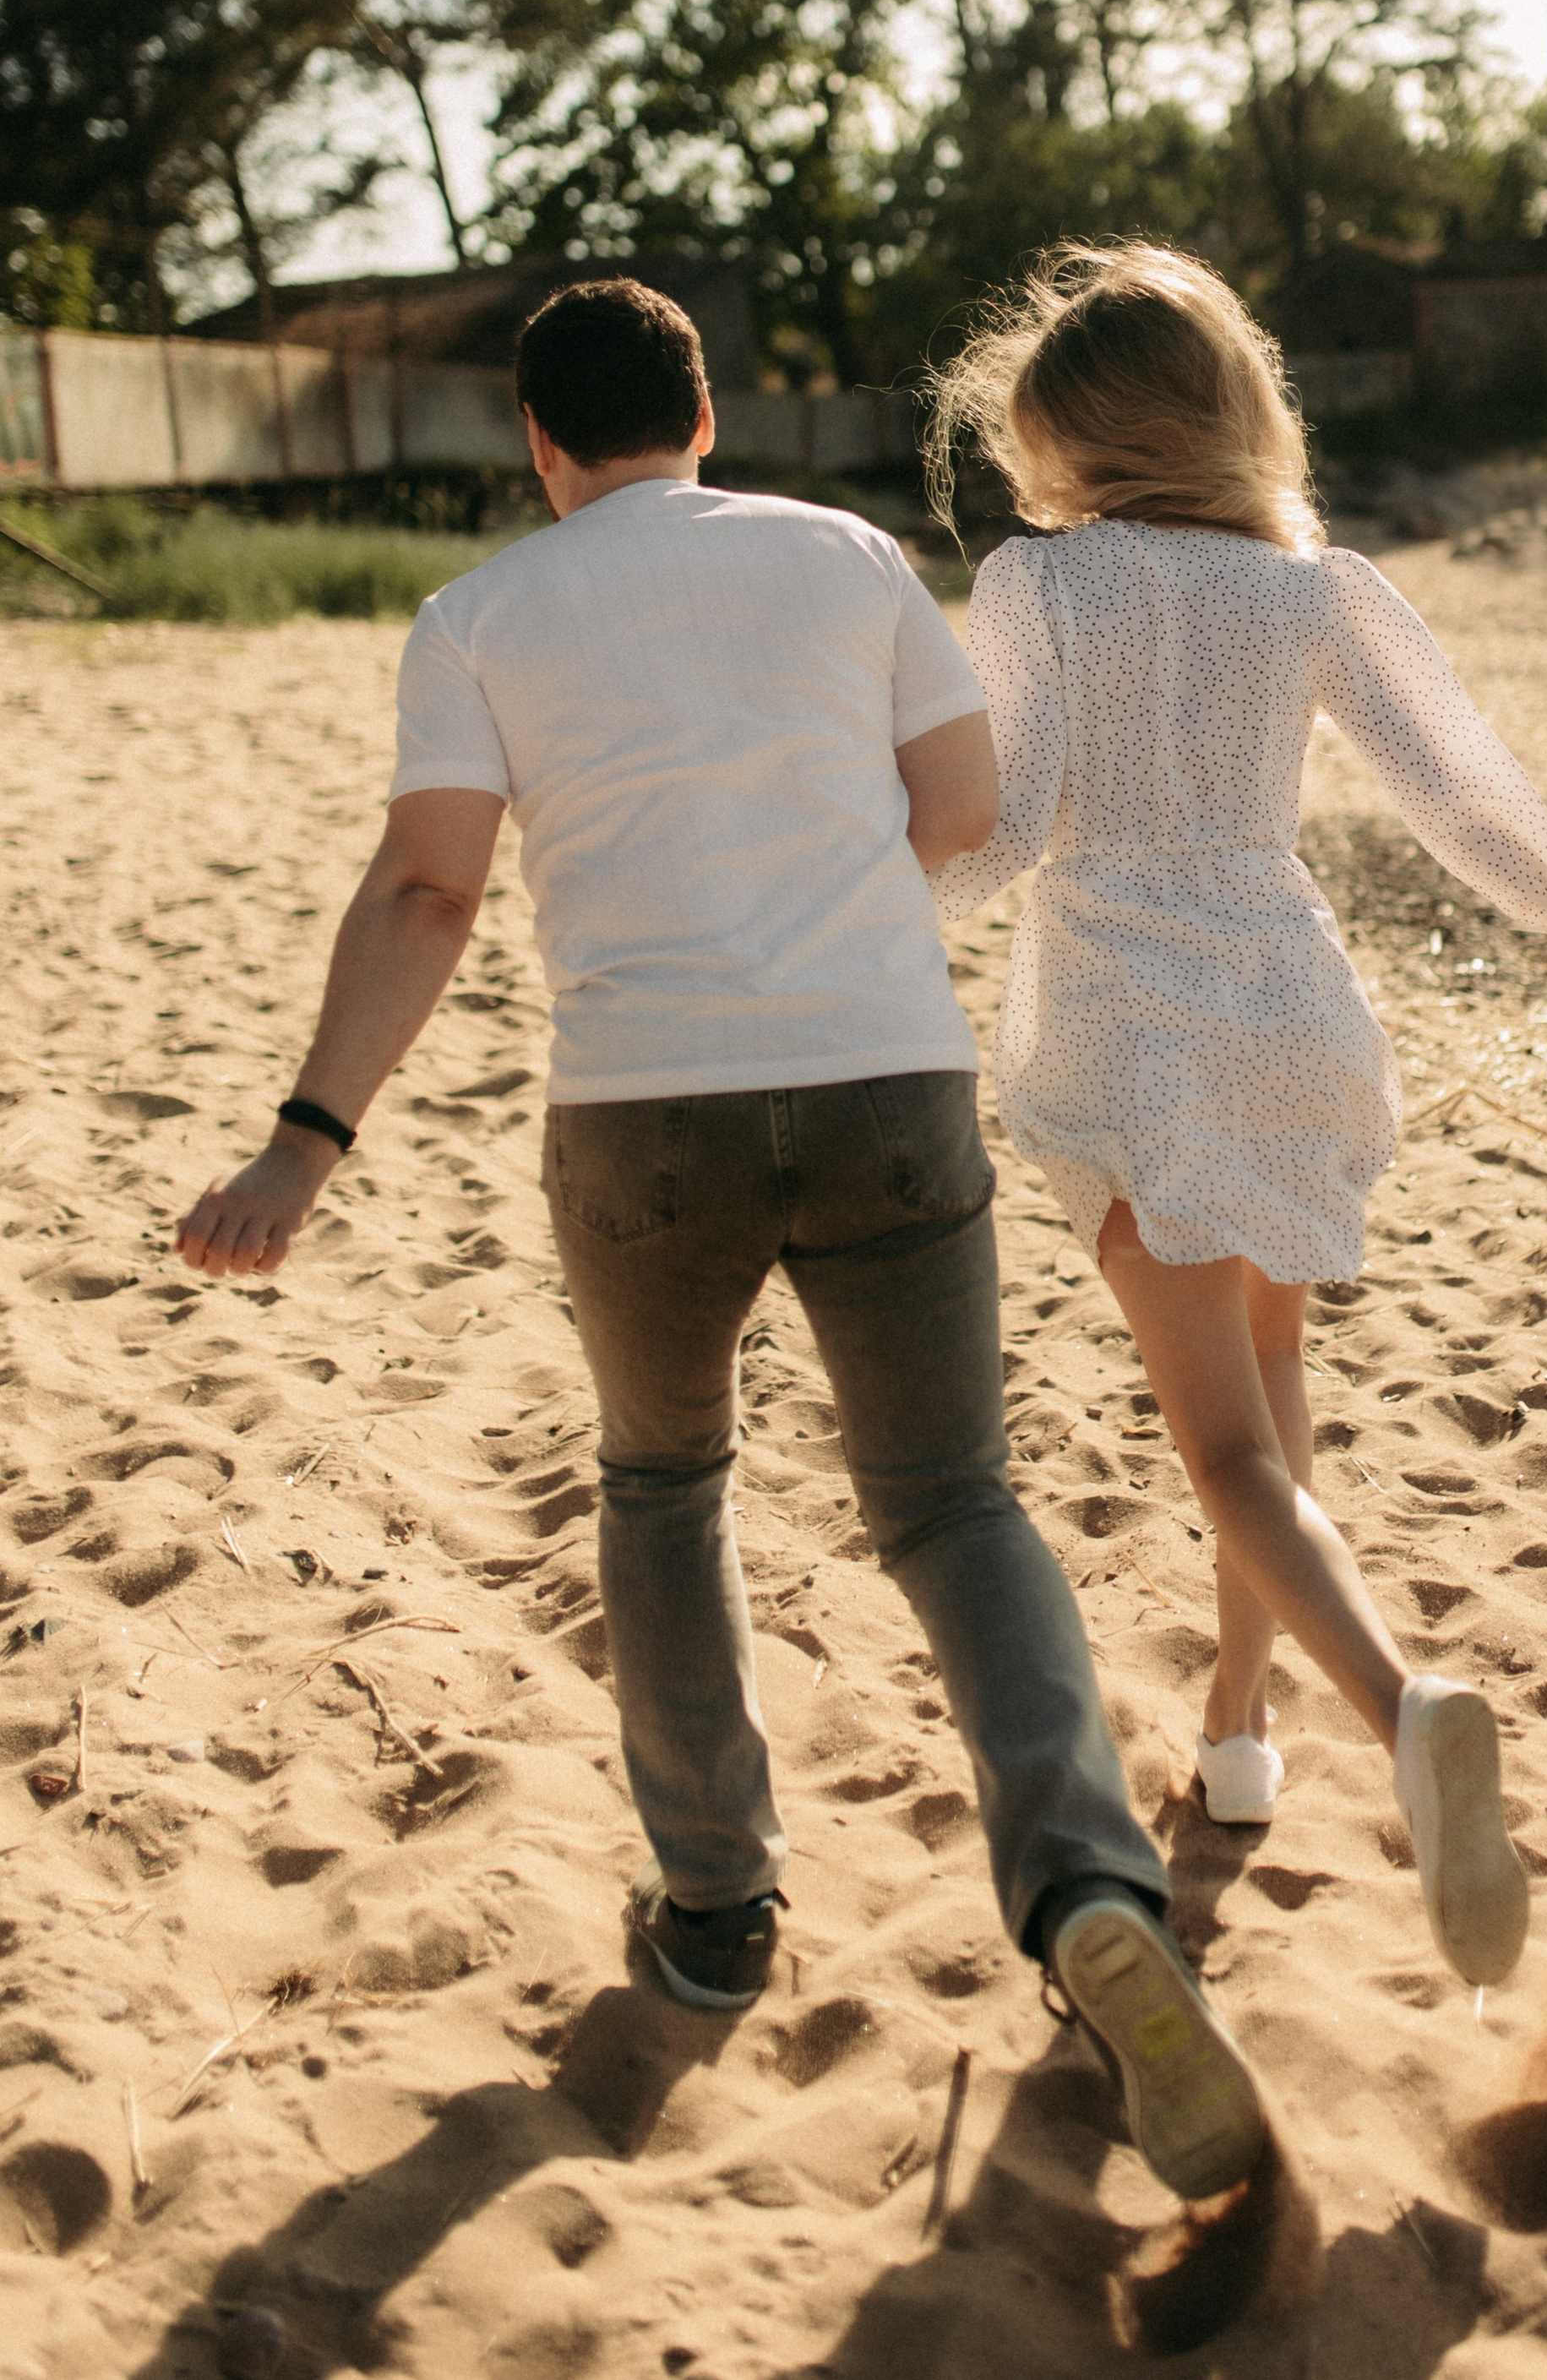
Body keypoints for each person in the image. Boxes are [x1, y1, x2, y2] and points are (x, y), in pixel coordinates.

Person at [175, 277, 1273, 2212]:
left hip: (639, 1118)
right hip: (882, 1088)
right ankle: (1092, 1886)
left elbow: (431, 889)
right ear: (707, 414)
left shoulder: (480, 616)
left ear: (539, 443)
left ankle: (710, 1914)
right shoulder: (848, 556)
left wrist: (305, 1141)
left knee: (664, 1482)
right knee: (953, 1504)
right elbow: (961, 807)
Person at [926, 245, 1547, 1988]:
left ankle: (1399, 1701)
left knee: (1223, 1460)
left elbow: (1001, 830)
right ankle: (1233, 1735)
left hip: (1141, 1046)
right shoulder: (1312, 588)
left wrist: (835, 903)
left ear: (1070, 444)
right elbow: (1465, 801)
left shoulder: (1043, 589)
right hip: (1289, 1018)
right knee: (1271, 1445)